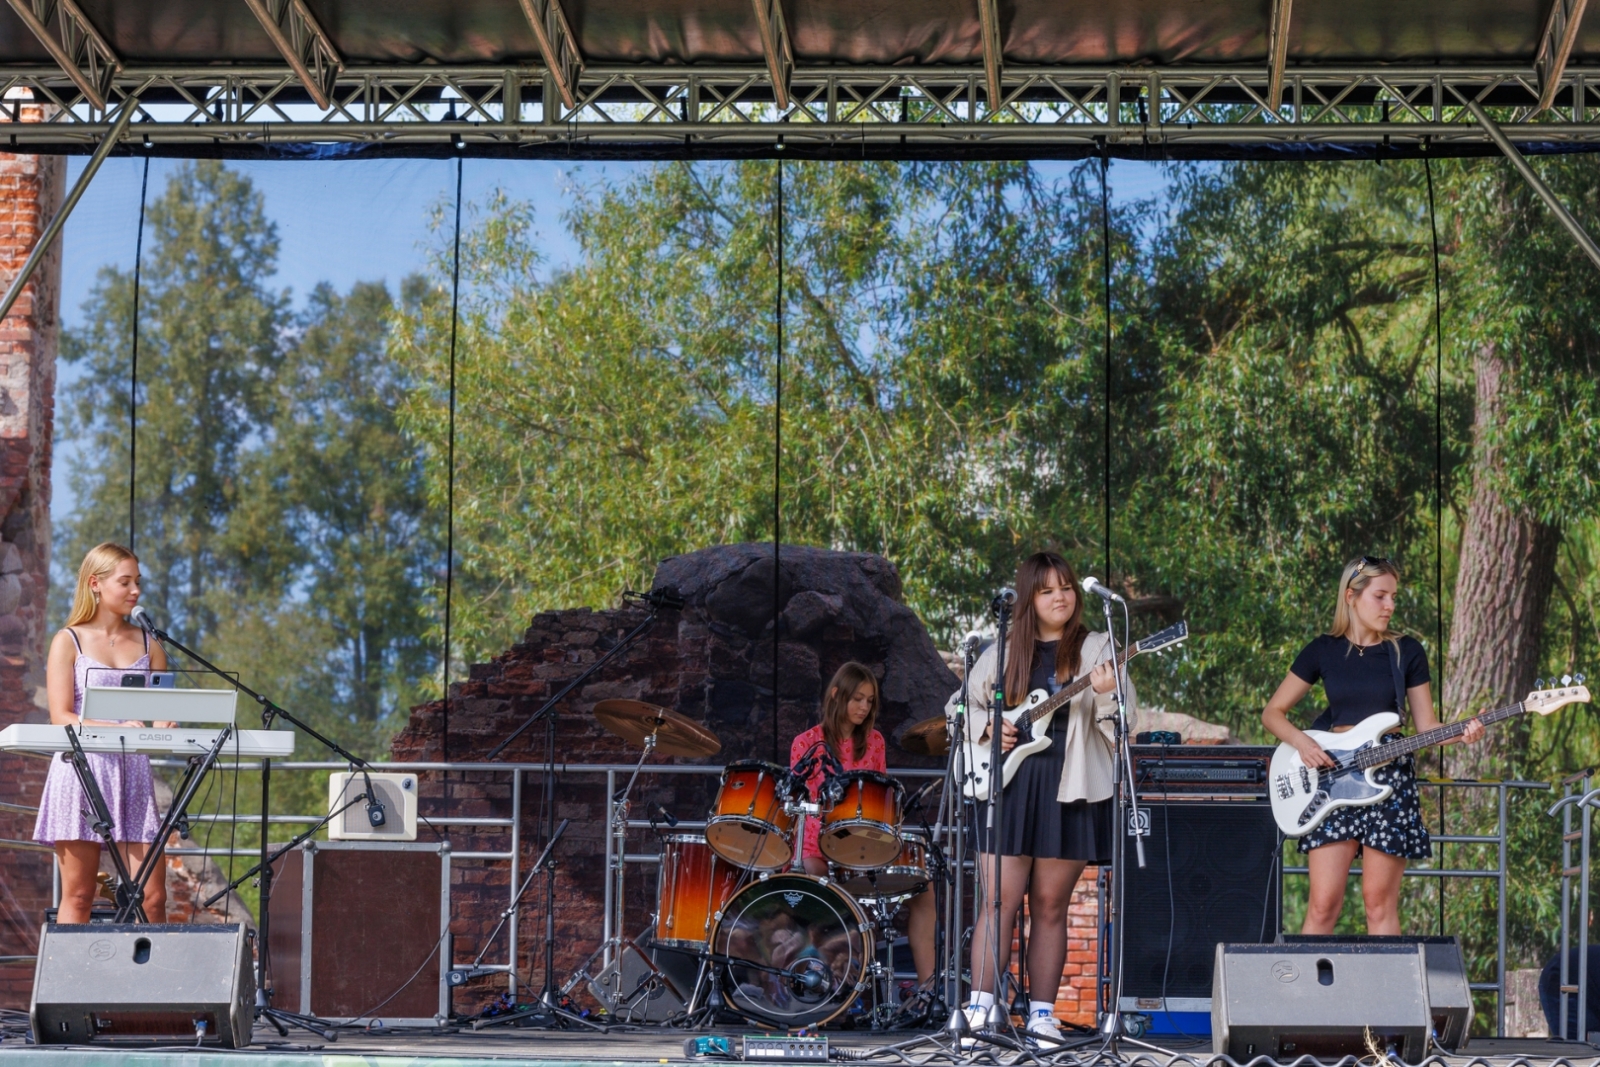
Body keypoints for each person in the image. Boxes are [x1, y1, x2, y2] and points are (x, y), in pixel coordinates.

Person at [951, 551, 1126, 1040]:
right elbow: (957, 708)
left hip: (1068, 789)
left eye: (1066, 587)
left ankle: (1043, 1015)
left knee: (1051, 906)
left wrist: (1109, 692)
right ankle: (983, 1008)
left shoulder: (1095, 648)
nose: (1061, 597)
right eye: (1048, 590)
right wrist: (989, 725)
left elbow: (1121, 725)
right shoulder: (1004, 649)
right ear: (1029, 597)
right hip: (1006, 786)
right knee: (997, 903)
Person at [1261, 556, 1483, 936]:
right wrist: (1303, 743)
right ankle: (1305, 997)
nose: (1390, 606)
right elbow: (1273, 713)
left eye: (1393, 597)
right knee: (1322, 905)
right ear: (1352, 595)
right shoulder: (1322, 650)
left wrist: (1463, 732)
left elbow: (1426, 726)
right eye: (1380, 596)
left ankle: (1389, 996)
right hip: (1331, 778)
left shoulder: (1406, 651)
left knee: (1379, 906)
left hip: (1389, 781)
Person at [32, 542, 170, 923]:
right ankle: (71, 982)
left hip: (134, 777)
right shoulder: (68, 640)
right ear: (95, 583)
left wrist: (164, 722)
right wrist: (112, 726)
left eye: (138, 582)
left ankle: (153, 982)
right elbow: (61, 715)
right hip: (81, 773)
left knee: (153, 897)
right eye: (125, 581)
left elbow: (160, 712)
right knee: (79, 895)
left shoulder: (150, 644)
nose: (135, 590)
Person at [790, 661, 937, 987]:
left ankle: (928, 990)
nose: (864, 707)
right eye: (858, 698)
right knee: (813, 879)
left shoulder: (875, 742)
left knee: (924, 890)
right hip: (820, 844)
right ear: (836, 695)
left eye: (870, 700)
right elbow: (804, 804)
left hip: (865, 845)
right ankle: (825, 984)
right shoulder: (807, 743)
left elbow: (879, 798)